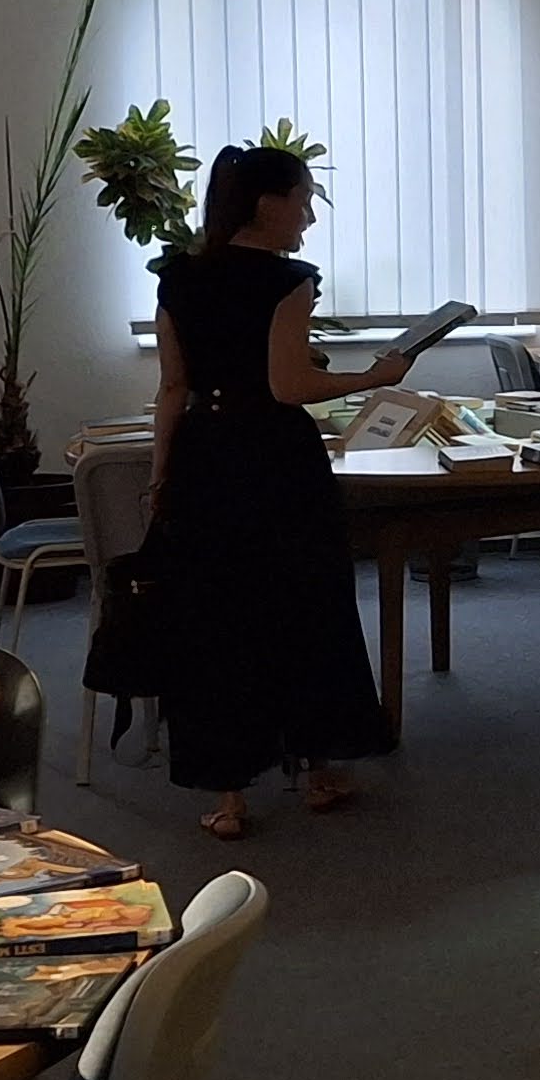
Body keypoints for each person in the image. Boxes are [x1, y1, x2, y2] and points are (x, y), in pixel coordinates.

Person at [138, 143, 409, 840]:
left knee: (217, 618)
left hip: (204, 455)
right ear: (269, 205)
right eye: (304, 200)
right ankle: (319, 770)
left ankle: (228, 796)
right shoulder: (287, 280)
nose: (309, 217)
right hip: (274, 458)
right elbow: (289, 386)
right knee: (306, 604)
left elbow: (172, 387)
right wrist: (374, 377)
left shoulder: (178, 278)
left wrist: (161, 474)